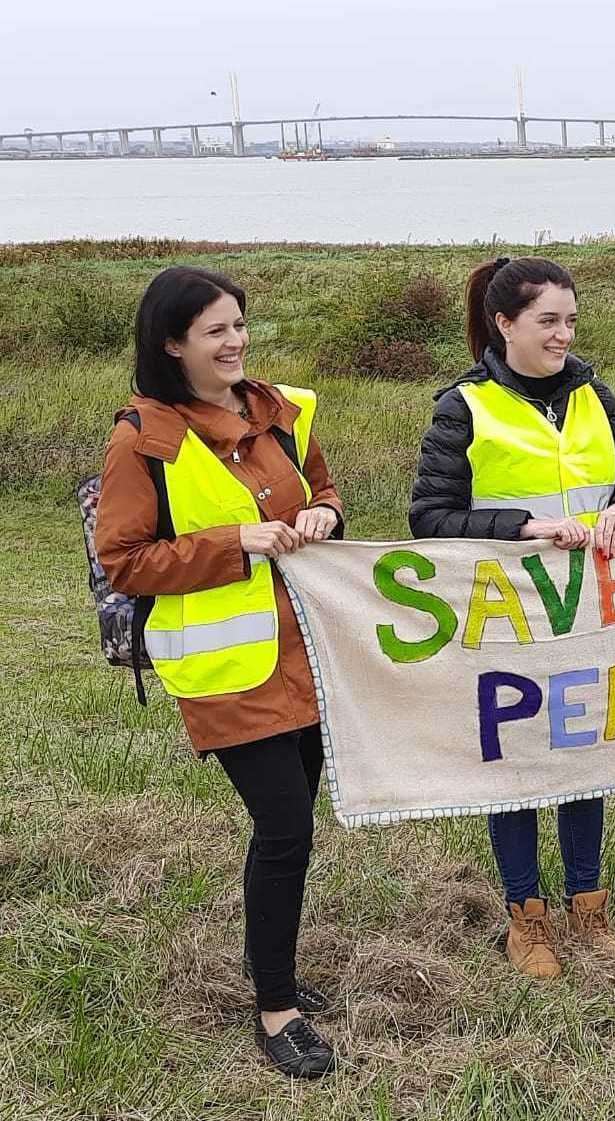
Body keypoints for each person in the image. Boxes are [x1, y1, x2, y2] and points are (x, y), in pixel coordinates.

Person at [96, 267, 343, 1078]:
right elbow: (123, 560)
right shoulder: (145, 438)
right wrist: (237, 540)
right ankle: (277, 1009)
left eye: (239, 324)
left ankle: (275, 972)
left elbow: (328, 490)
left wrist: (322, 515)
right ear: (173, 344)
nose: (235, 340)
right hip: (228, 668)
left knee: (291, 832)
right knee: (285, 830)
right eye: (215, 330)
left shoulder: (281, 410)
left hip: (307, 649)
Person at [410, 256, 615, 978]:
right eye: (548, 320)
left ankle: (588, 903)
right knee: (514, 763)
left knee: (582, 753)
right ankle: (526, 917)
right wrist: (524, 525)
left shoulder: (593, 393)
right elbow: (429, 516)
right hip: (505, 618)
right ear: (504, 323)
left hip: (586, 611)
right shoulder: (464, 405)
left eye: (571, 320)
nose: (564, 334)